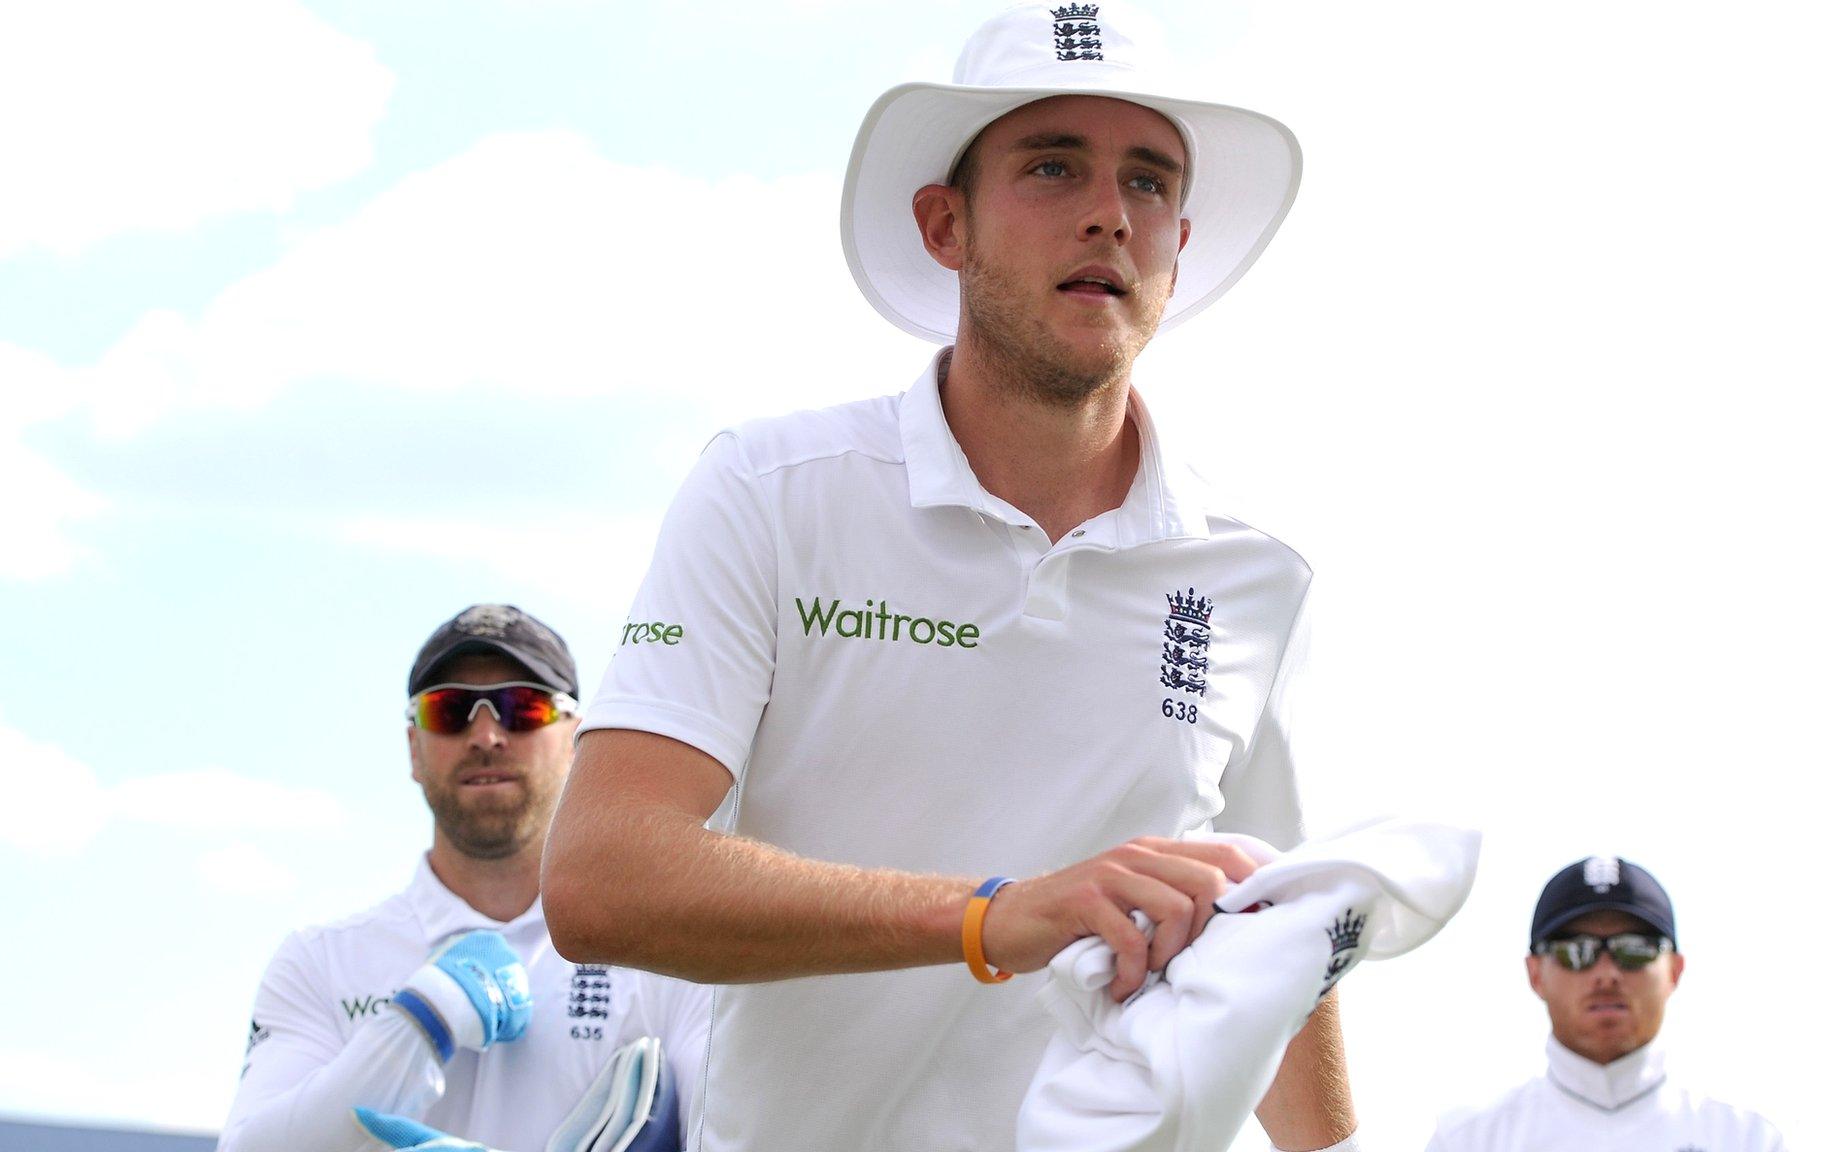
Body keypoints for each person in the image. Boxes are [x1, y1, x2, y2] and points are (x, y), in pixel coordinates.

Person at [539, 5, 1357, 1151]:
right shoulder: (773, 489)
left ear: (1179, 243)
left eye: (1148, 182)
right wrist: (993, 917)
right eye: (1051, 165)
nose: (1107, 214)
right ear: (943, 223)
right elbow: (599, 878)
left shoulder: (1259, 572)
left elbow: (1276, 948)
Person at [220, 604, 708, 1152]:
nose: (486, 735)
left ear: (576, 739)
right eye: (449, 710)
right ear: (413, 748)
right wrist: (416, 1025)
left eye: (521, 707)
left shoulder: (664, 959)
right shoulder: (320, 961)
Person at [1424, 856, 1787, 1151]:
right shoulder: (1469, 1140)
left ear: (1674, 970)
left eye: (1634, 949)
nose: (1606, 974)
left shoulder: (1746, 1139)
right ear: (1535, 974)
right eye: (1574, 951)